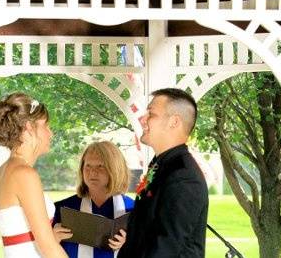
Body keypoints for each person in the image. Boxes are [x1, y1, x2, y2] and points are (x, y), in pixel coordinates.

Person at [118, 88, 209, 258]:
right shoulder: (162, 166)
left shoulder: (184, 177)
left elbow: (165, 249)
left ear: (174, 122)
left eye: (151, 114)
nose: (143, 119)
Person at [0, 92, 69, 258]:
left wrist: (51, 237)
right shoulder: (24, 174)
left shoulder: (5, 170)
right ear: (29, 128)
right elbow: (48, 249)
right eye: (46, 126)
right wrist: (50, 242)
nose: (50, 133)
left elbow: (18, 239)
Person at [53, 141, 134, 258]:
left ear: (116, 169)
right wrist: (52, 240)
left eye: (100, 166)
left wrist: (131, 245)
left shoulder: (133, 209)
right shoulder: (62, 209)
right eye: (88, 166)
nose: (92, 172)